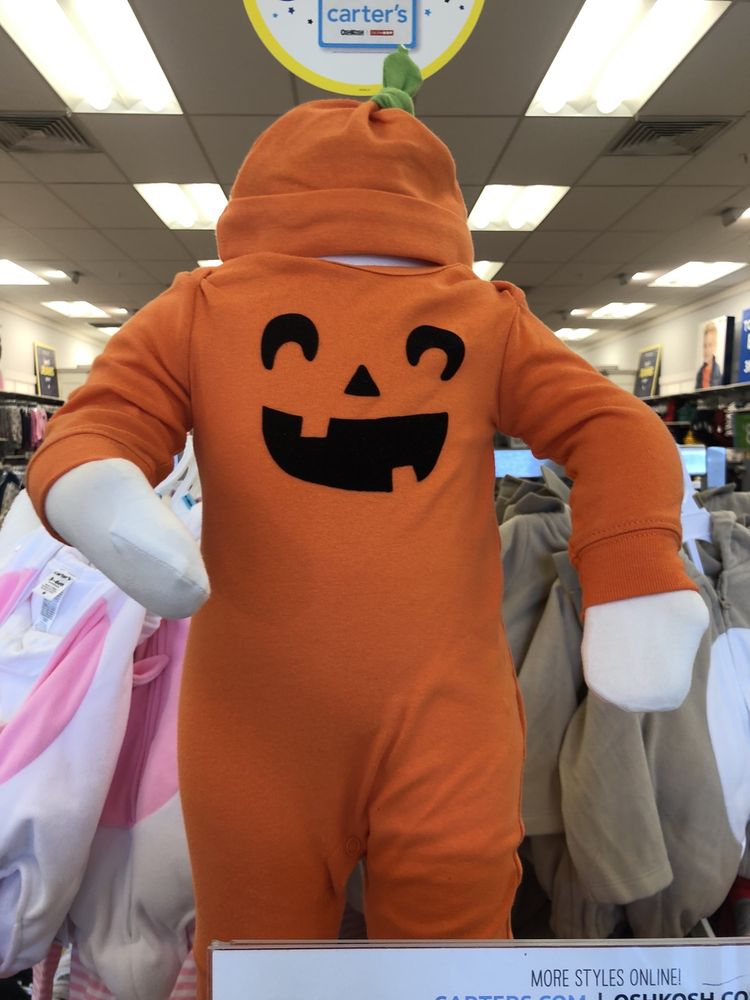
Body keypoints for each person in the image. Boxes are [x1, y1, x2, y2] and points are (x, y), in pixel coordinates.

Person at [24, 48, 707, 1000]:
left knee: (266, 961)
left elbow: (97, 425)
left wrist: (98, 490)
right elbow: (619, 428)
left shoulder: (210, 308)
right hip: (356, 713)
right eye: (298, 341)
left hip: (314, 715)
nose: (354, 387)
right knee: (442, 965)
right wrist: (633, 576)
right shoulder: (471, 316)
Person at [696, 320, 722, 389]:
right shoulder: (700, 373)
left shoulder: (718, 372)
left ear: (715, 347)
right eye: (705, 346)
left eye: (710, 345)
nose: (707, 350)